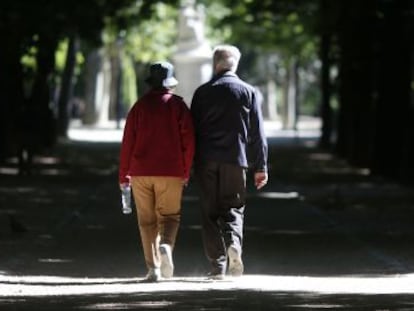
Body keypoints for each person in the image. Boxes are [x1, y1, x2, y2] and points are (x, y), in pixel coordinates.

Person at [190, 45, 268, 280]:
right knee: (234, 208)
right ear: (235, 64)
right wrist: (261, 166)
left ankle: (217, 265)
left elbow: (191, 131)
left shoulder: (202, 92)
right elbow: (258, 132)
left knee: (209, 212)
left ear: (216, 64)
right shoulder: (248, 91)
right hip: (236, 159)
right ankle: (234, 243)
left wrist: (188, 164)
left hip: (206, 160)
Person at [119, 61, 195, 282]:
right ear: (170, 83)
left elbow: (127, 143)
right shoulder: (178, 106)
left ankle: (153, 269)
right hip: (171, 171)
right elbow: (189, 141)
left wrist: (123, 176)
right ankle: (166, 246)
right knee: (169, 216)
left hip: (141, 172)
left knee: (146, 221)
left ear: (150, 83)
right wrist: (186, 170)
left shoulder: (139, 107)